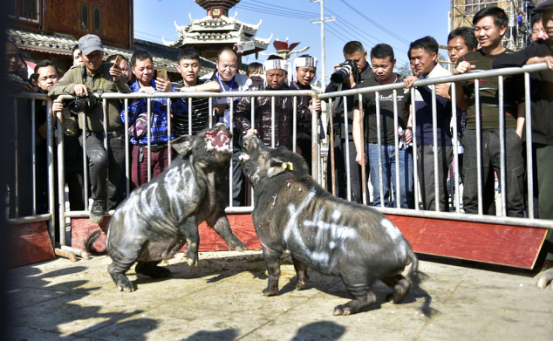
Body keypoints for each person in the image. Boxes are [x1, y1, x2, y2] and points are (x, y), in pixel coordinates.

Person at [492, 0, 553, 271]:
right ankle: (540, 254)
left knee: (549, 199)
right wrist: (534, 61)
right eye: (544, 20)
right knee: (536, 197)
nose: (546, 26)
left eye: (551, 19)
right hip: (536, 133)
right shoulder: (539, 48)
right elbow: (502, 60)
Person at [49, 34, 131, 224]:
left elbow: (130, 97)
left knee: (115, 179)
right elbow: (53, 90)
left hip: (116, 133)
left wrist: (119, 82)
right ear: (82, 55)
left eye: (97, 54)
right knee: (98, 159)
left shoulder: (112, 71)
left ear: (102, 54)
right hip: (90, 134)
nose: (93, 59)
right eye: (88, 55)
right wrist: (73, 87)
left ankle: (109, 219)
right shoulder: (75, 72)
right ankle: (98, 200)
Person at [453, 7, 526, 217]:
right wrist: (456, 78)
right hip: (474, 131)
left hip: (508, 131)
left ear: (502, 29)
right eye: (477, 29)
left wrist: (517, 134)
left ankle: (515, 246)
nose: (480, 34)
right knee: (472, 198)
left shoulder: (517, 58)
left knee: (514, 197)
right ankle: (476, 246)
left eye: (486, 28)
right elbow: (461, 101)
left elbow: (523, 100)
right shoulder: (466, 61)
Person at [352, 44, 413, 208]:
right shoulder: (364, 88)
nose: (379, 70)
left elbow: (412, 112)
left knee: (405, 192)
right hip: (375, 147)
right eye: (375, 66)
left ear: (393, 62)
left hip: (402, 147)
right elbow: (357, 121)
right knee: (380, 195)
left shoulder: (405, 83)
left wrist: (410, 128)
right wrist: (359, 151)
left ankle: (404, 230)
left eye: (384, 66)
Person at [122, 50, 187, 189]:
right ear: (133, 70)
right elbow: (125, 119)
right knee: (138, 191)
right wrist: (136, 98)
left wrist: (171, 93)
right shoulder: (129, 90)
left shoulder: (164, 86)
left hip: (165, 148)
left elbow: (182, 110)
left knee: (162, 192)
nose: (146, 72)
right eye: (141, 69)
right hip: (141, 150)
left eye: (149, 67)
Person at [403, 36, 453, 212]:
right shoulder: (421, 77)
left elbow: (441, 106)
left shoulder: (443, 76)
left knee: (433, 192)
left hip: (437, 141)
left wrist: (421, 86)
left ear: (434, 56)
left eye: (419, 57)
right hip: (422, 141)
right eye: (412, 59)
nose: (415, 62)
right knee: (428, 189)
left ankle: (438, 228)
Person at [324, 41, 373, 203]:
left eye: (357, 60)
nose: (355, 65)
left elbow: (363, 100)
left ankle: (356, 211)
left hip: (354, 135)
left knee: (354, 180)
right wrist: (337, 78)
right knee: (335, 177)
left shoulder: (371, 76)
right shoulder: (343, 75)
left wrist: (352, 84)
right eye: (351, 61)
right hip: (337, 133)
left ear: (365, 55)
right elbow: (327, 96)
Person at [201, 47, 249, 206]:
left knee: (235, 183)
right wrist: (213, 110)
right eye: (224, 65)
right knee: (213, 180)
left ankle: (234, 212)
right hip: (213, 139)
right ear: (217, 64)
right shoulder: (205, 81)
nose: (228, 69)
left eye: (232, 65)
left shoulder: (245, 82)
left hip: (235, 138)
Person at [234, 56, 310, 150]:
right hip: (260, 147)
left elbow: (303, 120)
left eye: (279, 75)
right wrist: (247, 129)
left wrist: (311, 111)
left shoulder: (293, 92)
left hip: (286, 148)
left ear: (285, 74)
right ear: (265, 74)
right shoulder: (254, 89)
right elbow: (239, 113)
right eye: (271, 75)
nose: (275, 79)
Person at [171, 47, 221, 137]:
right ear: (178, 68)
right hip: (180, 139)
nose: (190, 70)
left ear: (200, 67)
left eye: (194, 65)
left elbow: (216, 85)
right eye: (186, 66)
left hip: (200, 138)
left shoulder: (204, 84)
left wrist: (191, 89)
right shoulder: (173, 87)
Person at [289, 54, 321, 172]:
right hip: (293, 140)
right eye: (305, 70)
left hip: (309, 140)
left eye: (312, 71)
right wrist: (309, 111)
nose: (308, 75)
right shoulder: (288, 90)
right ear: (296, 70)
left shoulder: (312, 91)